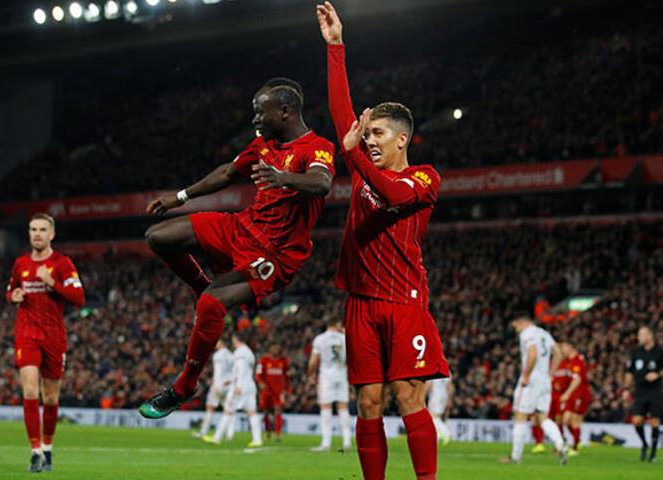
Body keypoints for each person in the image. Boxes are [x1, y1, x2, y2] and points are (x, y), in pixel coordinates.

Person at [139, 77, 336, 419]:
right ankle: (202, 286)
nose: (255, 119)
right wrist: (180, 197)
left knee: (211, 305)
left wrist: (284, 178)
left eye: (260, 112)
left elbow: (322, 182)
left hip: (275, 254)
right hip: (242, 228)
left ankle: (184, 387)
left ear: (285, 111)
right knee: (158, 237)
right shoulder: (263, 144)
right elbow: (228, 173)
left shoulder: (317, 147)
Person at [318, 3, 450, 478]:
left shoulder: (423, 178)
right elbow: (342, 117)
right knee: (368, 401)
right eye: (367, 133)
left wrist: (355, 156)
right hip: (361, 302)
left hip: (404, 301)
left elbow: (392, 195)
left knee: (408, 395)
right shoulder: (363, 171)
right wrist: (336, 47)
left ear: (401, 140)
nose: (368, 139)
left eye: (377, 134)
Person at [5, 213, 85, 473]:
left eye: (42, 230)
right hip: (26, 333)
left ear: (51, 234)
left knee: (50, 397)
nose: (37, 234)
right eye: (33, 229)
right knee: (30, 391)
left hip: (53, 336)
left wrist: (52, 282)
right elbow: (11, 289)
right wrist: (14, 296)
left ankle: (48, 448)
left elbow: (79, 297)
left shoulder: (62, 263)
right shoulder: (20, 263)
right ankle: (35, 451)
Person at [501, 316, 568, 465]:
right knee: (543, 417)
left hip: (532, 379)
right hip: (545, 379)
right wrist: (551, 374)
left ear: (521, 322)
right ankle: (560, 445)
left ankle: (515, 457)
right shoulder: (544, 333)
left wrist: (526, 375)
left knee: (520, 415)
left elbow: (532, 353)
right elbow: (558, 352)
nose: (515, 329)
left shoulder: (527, 333)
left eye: (515, 326)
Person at [623, 326, 663, 463]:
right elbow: (629, 372)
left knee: (654, 421)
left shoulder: (660, 352)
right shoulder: (635, 352)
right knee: (637, 420)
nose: (639, 337)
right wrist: (626, 389)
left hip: (655, 391)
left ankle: (653, 453)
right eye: (639, 334)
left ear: (650, 336)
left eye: (642, 334)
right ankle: (645, 444)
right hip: (640, 390)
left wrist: (657, 374)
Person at [204, 334, 263, 448]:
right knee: (252, 412)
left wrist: (237, 385)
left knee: (228, 410)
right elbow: (246, 370)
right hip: (250, 386)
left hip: (240, 387)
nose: (232, 342)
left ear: (236, 340)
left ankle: (217, 438)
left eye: (233, 340)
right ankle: (257, 439)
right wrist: (230, 380)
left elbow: (241, 370)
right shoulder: (249, 352)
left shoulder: (240, 352)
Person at [308, 319, 351, 452]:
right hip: (341, 374)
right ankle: (347, 442)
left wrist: (311, 375)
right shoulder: (345, 338)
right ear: (337, 324)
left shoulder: (320, 339)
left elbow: (313, 361)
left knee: (325, 407)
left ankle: (326, 443)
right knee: (343, 407)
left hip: (326, 376)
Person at [194, 341, 234, 439]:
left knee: (210, 407)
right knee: (228, 409)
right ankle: (230, 434)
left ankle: (203, 432)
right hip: (229, 385)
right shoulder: (231, 355)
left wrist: (215, 384)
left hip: (218, 385)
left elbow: (218, 372)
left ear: (221, 344)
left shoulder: (218, 355)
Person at [558, 342, 590, 455]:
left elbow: (578, 379)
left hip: (580, 394)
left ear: (570, 347)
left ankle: (576, 448)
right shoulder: (568, 362)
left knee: (574, 420)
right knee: (565, 420)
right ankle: (577, 440)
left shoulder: (577, 361)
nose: (562, 349)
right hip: (572, 394)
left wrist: (567, 393)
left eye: (563, 347)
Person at [256, 344, 291, 442]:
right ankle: (267, 432)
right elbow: (258, 373)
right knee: (266, 411)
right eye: (274, 348)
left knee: (278, 411)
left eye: (277, 348)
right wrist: (260, 382)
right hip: (266, 390)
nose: (275, 350)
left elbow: (287, 377)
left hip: (278, 391)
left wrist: (287, 390)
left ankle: (278, 434)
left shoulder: (283, 361)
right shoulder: (264, 360)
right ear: (270, 350)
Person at [425, 377, 454, 446]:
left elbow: (429, 384)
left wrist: (423, 396)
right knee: (436, 417)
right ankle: (437, 437)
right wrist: (449, 398)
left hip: (435, 396)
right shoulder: (447, 372)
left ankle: (447, 434)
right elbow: (450, 386)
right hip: (444, 396)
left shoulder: (433, 372)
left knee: (433, 417)